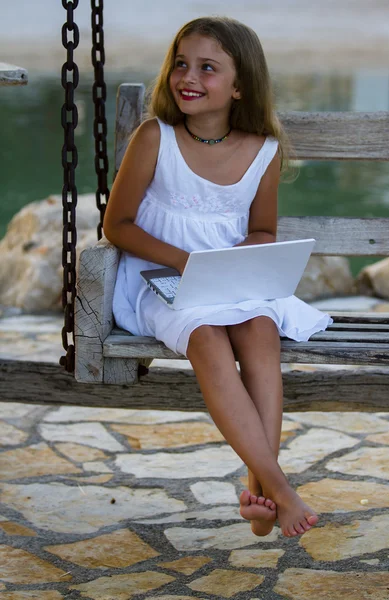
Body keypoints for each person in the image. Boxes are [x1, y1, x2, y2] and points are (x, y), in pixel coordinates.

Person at [104, 16, 332, 538]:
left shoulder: (263, 151)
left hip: (228, 279)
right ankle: (279, 487)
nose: (190, 76)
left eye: (208, 68)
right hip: (158, 277)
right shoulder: (154, 137)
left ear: (238, 85)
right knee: (206, 337)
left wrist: (236, 259)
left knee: (260, 330)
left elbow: (263, 230)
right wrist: (185, 261)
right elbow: (116, 225)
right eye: (182, 64)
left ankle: (258, 487)